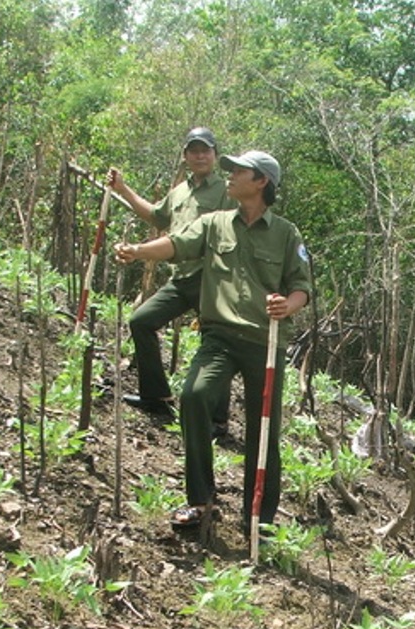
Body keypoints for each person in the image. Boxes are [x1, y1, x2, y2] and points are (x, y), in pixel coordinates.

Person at [114, 150, 311, 533]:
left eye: (240, 171)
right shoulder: (215, 223)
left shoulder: (286, 234)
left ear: (262, 182)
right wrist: (138, 252)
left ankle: (259, 520)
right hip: (218, 337)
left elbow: (301, 286)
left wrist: (288, 305)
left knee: (263, 431)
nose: (230, 176)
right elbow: (176, 244)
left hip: (264, 344)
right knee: (194, 396)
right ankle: (200, 501)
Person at [107, 126, 236, 425]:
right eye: (194, 151)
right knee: (141, 321)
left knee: (215, 343)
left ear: (215, 155)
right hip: (180, 279)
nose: (200, 156)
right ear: (185, 156)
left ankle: (217, 420)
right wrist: (123, 189)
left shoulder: (226, 191)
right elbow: (157, 217)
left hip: (211, 279)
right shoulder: (179, 191)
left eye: (205, 151)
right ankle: (156, 398)